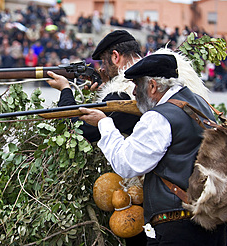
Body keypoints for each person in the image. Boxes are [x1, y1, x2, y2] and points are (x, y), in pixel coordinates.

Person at [78, 53, 227, 246]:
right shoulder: (199, 103)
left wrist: (104, 124)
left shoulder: (159, 117)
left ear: (152, 86)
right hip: (208, 221)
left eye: (136, 85)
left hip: (178, 228)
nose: (133, 93)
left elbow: (126, 164)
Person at [47, 29, 146, 245]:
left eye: (104, 61)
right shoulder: (147, 82)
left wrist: (65, 90)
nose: (101, 69)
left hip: (146, 196)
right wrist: (102, 92)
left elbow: (80, 131)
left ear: (115, 57)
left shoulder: (123, 94)